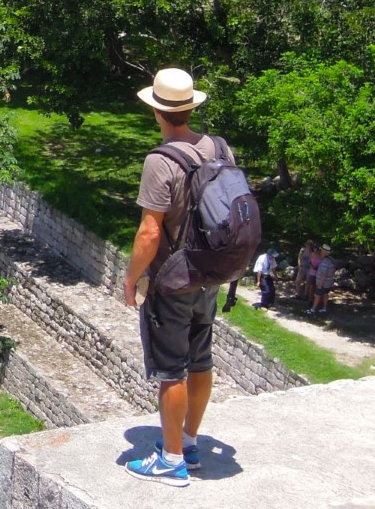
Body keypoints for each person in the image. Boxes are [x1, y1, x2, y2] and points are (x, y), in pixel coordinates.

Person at [122, 68, 226, 488]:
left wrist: (131, 280)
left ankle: (171, 461)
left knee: (171, 370)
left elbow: (150, 232)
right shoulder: (218, 148)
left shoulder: (160, 161)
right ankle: (190, 442)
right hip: (209, 274)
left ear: (156, 111)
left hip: (172, 279)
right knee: (201, 360)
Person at [308, 245, 335, 316]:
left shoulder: (325, 261)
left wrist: (320, 284)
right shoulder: (330, 260)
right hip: (329, 282)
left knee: (317, 295)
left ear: (324, 252)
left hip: (323, 283)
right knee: (326, 294)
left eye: (322, 250)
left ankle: (312, 309)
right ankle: (324, 308)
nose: (320, 251)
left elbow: (324, 274)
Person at [295, 239, 316, 304]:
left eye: (309, 245)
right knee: (298, 280)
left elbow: (311, 260)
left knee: (308, 282)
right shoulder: (302, 250)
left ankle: (305, 295)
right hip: (302, 267)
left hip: (309, 268)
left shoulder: (312, 252)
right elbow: (299, 258)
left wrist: (310, 253)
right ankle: (298, 294)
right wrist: (299, 265)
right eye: (307, 245)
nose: (307, 246)